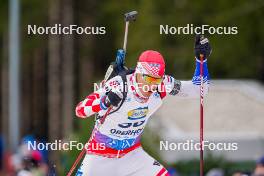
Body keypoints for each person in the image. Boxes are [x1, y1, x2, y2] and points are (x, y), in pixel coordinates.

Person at [75, 35, 211, 175]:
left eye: (156, 80)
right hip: (100, 157)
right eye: (148, 79)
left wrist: (201, 61)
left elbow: (199, 90)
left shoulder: (163, 84)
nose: (152, 85)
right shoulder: (118, 85)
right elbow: (80, 110)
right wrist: (104, 102)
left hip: (131, 156)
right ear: (139, 73)